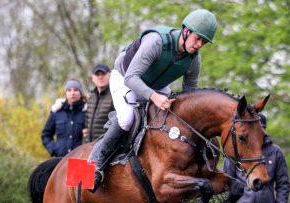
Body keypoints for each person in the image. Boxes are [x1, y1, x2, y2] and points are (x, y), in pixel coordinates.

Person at [89, 9, 218, 192]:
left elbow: (190, 95)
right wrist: (155, 97)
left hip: (155, 86)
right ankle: (97, 165)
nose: (199, 45)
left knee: (175, 113)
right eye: (197, 38)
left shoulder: (194, 59)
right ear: (185, 30)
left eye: (203, 42)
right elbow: (131, 78)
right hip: (125, 78)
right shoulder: (157, 42)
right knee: (126, 119)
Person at [225, 114, 290, 203]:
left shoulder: (275, 152)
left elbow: (283, 184)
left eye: (260, 128)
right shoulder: (236, 151)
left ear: (264, 129)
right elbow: (226, 182)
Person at [41, 79, 87, 158]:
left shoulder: (87, 112)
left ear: (80, 92)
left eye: (75, 90)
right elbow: (46, 134)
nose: (72, 93)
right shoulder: (57, 112)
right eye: (69, 90)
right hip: (61, 159)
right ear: (66, 93)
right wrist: (54, 149)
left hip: (81, 158)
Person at [83, 63, 115, 143]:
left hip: (106, 145)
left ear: (109, 76)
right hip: (89, 145)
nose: (100, 77)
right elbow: (86, 123)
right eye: (97, 75)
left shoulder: (115, 96)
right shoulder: (91, 97)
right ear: (92, 78)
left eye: (103, 74)